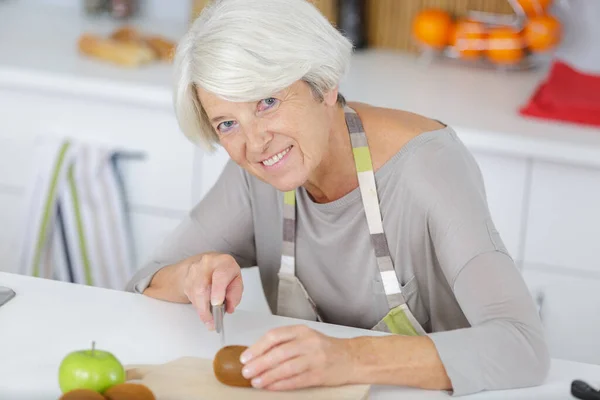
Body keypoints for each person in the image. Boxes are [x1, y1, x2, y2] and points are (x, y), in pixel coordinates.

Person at [126, 0, 550, 396]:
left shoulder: (428, 169)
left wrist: (347, 357)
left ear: (325, 84)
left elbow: (522, 346)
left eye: (268, 102)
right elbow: (145, 281)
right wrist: (190, 276)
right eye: (226, 124)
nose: (253, 144)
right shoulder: (258, 171)